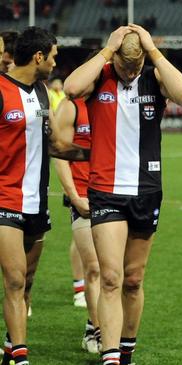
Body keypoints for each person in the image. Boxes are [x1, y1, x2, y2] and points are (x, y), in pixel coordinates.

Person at [63, 24, 182, 365]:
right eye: (125, 65)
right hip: (105, 191)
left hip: (146, 191)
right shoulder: (101, 75)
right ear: (115, 57)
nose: (131, 72)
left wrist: (153, 52)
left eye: (136, 66)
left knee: (133, 280)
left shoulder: (153, 77)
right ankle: (109, 357)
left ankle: (126, 351)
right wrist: (107, 51)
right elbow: (71, 87)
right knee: (110, 277)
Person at [0, 26, 58, 365]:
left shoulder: (42, 92)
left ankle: (10, 348)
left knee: (28, 281)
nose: (55, 63)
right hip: (5, 198)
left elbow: (51, 144)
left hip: (37, 200)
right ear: (39, 56)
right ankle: (21, 358)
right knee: (15, 279)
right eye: (53, 56)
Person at [53, 96, 102, 353]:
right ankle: (97, 329)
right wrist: (72, 195)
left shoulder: (110, 101)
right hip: (82, 194)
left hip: (112, 193)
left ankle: (93, 327)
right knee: (93, 267)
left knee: (115, 272)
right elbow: (59, 152)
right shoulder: (72, 106)